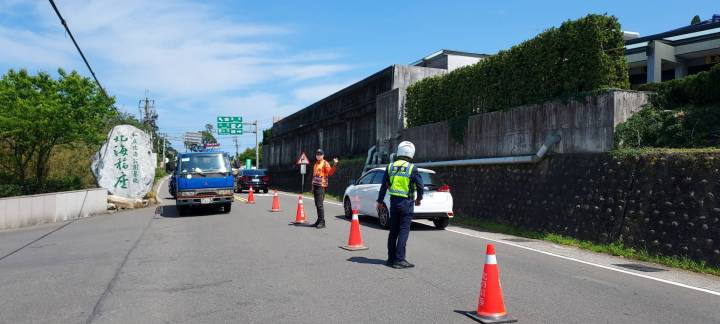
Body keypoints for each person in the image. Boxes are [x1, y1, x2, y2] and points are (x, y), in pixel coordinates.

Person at [376, 141, 423, 269]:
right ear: (411, 153)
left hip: (393, 202)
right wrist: (419, 199)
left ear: (399, 151)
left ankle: (391, 258)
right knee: (403, 231)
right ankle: (400, 260)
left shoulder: (390, 167)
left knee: (393, 231)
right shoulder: (412, 168)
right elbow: (420, 186)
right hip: (406, 203)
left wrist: (379, 202)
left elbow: (383, 186)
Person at [311, 149, 339, 229]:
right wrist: (312, 186)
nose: (318, 155)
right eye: (317, 154)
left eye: (320, 154)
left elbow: (330, 172)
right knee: (317, 204)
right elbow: (314, 176)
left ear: (323, 155)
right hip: (316, 186)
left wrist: (335, 164)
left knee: (319, 205)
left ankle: (322, 222)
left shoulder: (325, 163)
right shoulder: (316, 164)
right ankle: (319, 220)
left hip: (321, 186)